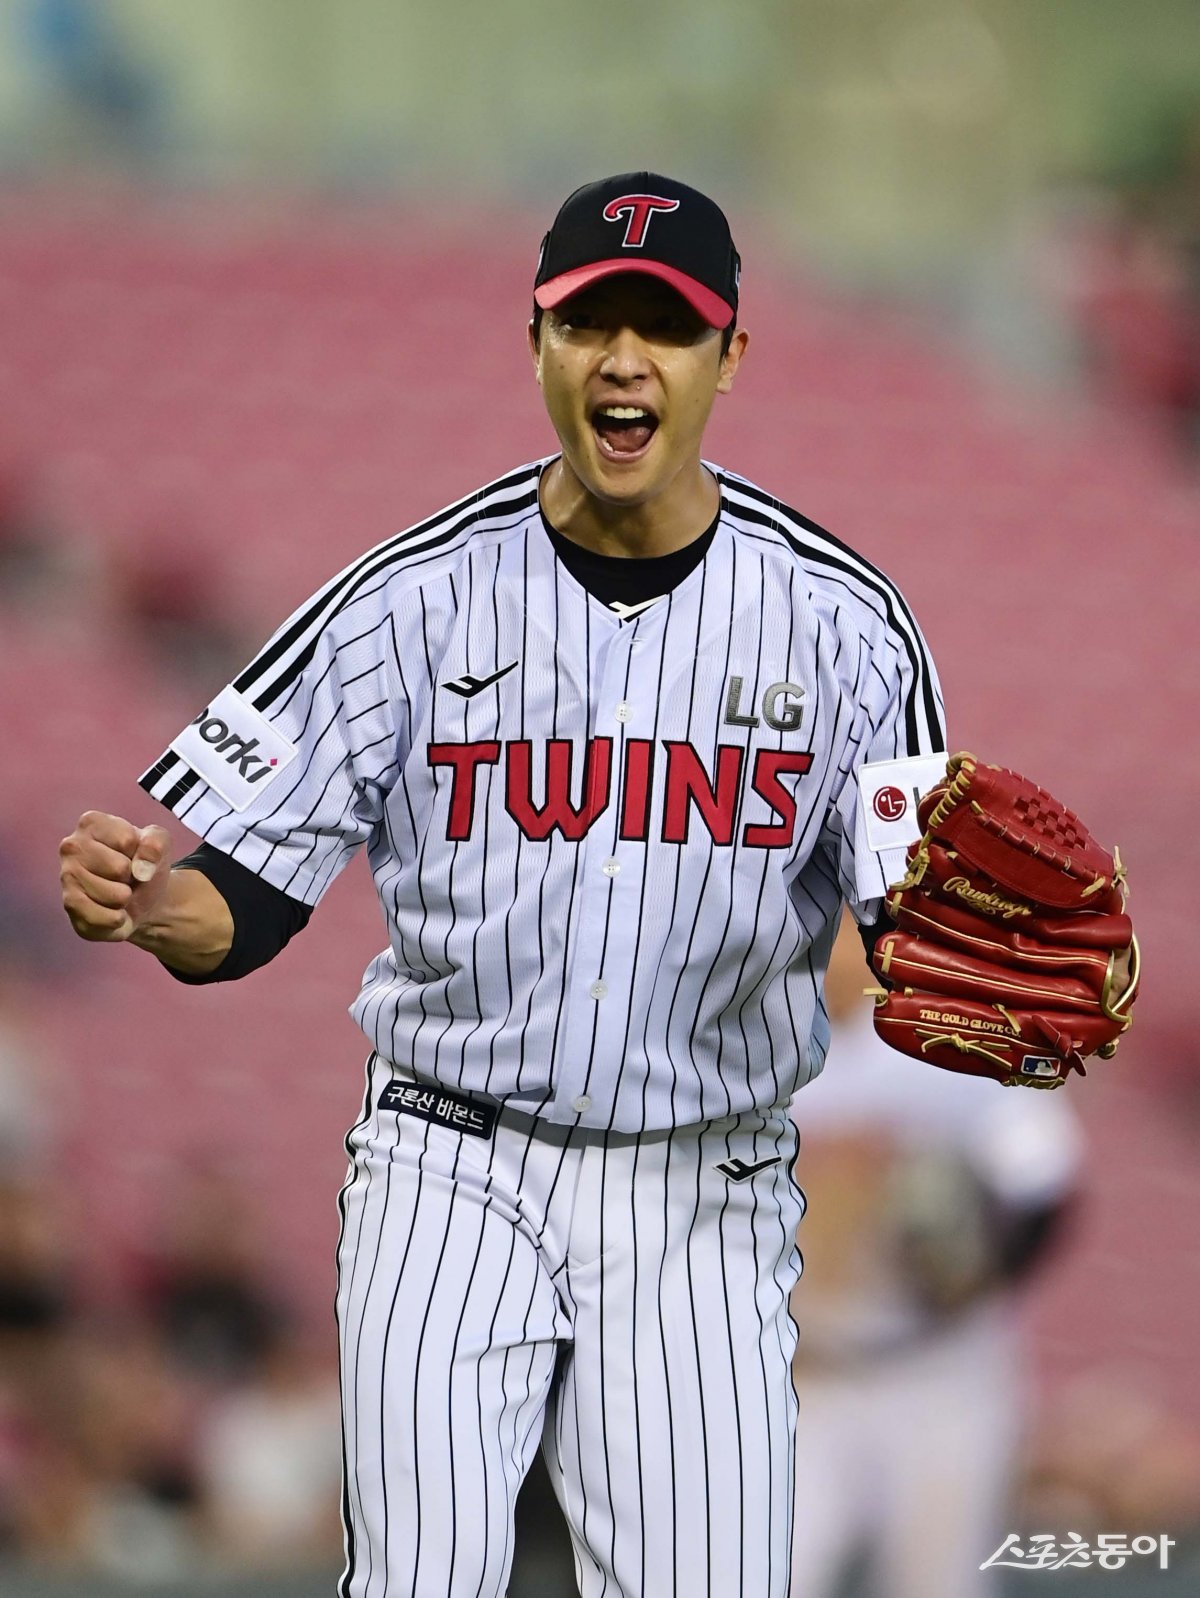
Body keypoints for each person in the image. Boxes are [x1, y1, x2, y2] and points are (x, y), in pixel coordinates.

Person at [58, 172, 945, 1598]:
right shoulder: (408, 596)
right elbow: (247, 895)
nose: (624, 360)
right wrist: (151, 903)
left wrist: (1004, 986)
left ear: (730, 356)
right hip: (449, 1164)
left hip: (703, 1180)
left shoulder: (848, 625)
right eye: (590, 323)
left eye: (668, 327)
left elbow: (918, 934)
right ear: (536, 343)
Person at [788, 914, 1082, 1598]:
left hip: (938, 1370)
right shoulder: (742, 1052)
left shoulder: (958, 1045)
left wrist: (973, 1279)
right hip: (803, 1376)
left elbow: (1044, 1184)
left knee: (940, 1582)